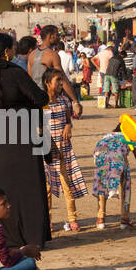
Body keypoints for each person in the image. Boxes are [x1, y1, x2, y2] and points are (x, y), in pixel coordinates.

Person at [0, 32, 51, 250]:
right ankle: (28, 236)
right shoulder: (16, 73)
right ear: (6, 52)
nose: (14, 51)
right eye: (12, 48)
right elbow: (41, 99)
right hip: (20, 136)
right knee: (25, 188)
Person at [43, 68, 88, 232]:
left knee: (67, 184)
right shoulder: (42, 102)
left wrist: (68, 126)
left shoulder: (64, 101)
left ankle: (72, 218)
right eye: (57, 81)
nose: (61, 84)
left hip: (64, 149)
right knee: (47, 187)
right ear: (48, 83)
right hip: (47, 150)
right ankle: (47, 220)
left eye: (61, 80)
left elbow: (68, 120)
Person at [91, 122, 136, 230]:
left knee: (102, 185)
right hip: (118, 160)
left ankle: (100, 219)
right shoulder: (130, 138)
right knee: (126, 185)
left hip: (100, 157)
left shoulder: (107, 136)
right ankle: (124, 220)